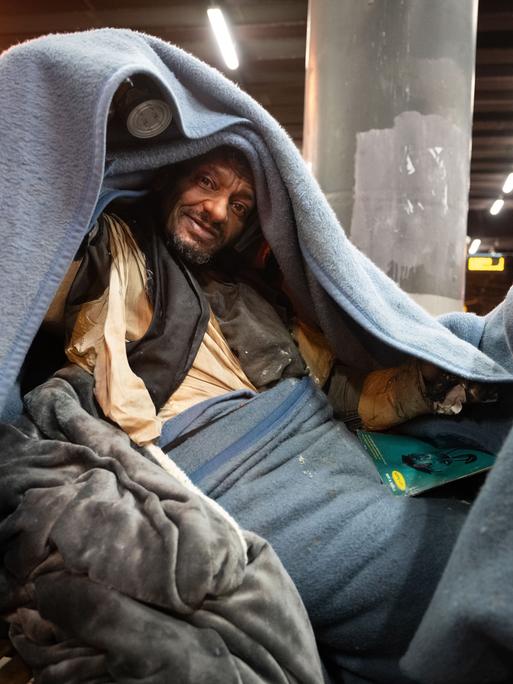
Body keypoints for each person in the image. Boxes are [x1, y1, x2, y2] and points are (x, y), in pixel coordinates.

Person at [41, 145, 487, 682]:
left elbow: (344, 396)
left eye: (241, 204)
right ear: (166, 177)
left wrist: (427, 381)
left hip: (331, 450)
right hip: (240, 468)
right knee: (470, 562)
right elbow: (37, 239)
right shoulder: (121, 253)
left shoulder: (258, 293)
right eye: (205, 182)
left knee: (478, 515)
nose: (218, 210)